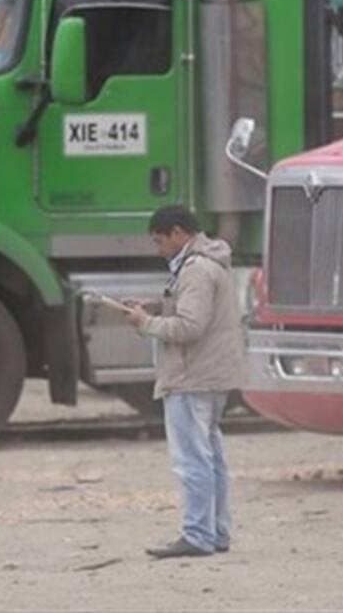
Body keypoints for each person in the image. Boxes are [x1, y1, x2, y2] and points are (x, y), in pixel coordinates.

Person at [122, 205, 245, 559]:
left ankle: (197, 534)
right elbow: (191, 313)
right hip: (211, 375)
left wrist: (146, 323)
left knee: (192, 459)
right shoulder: (209, 264)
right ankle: (216, 532)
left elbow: (190, 327)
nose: (157, 248)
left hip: (192, 376)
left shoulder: (194, 271)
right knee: (211, 458)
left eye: (160, 240)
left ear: (178, 233)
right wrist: (156, 307)